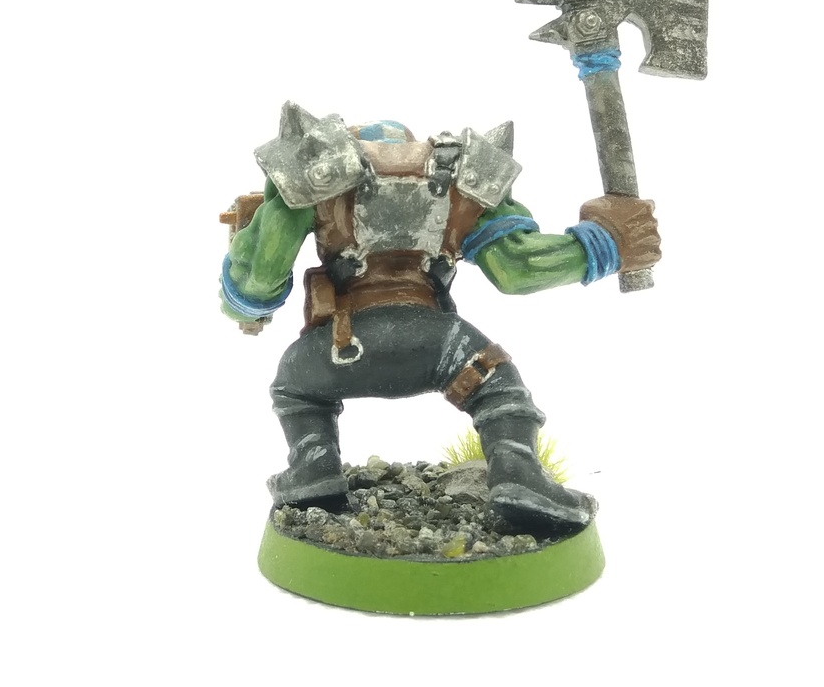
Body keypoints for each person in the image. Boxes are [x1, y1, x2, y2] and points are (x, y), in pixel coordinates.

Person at [220, 104, 660, 535]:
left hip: (341, 348)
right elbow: (517, 267)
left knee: (293, 387)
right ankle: (518, 473)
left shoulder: (313, 174)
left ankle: (313, 468)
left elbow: (258, 280)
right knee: (498, 385)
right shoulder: (461, 180)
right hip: (442, 345)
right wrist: (608, 243)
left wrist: (239, 291)